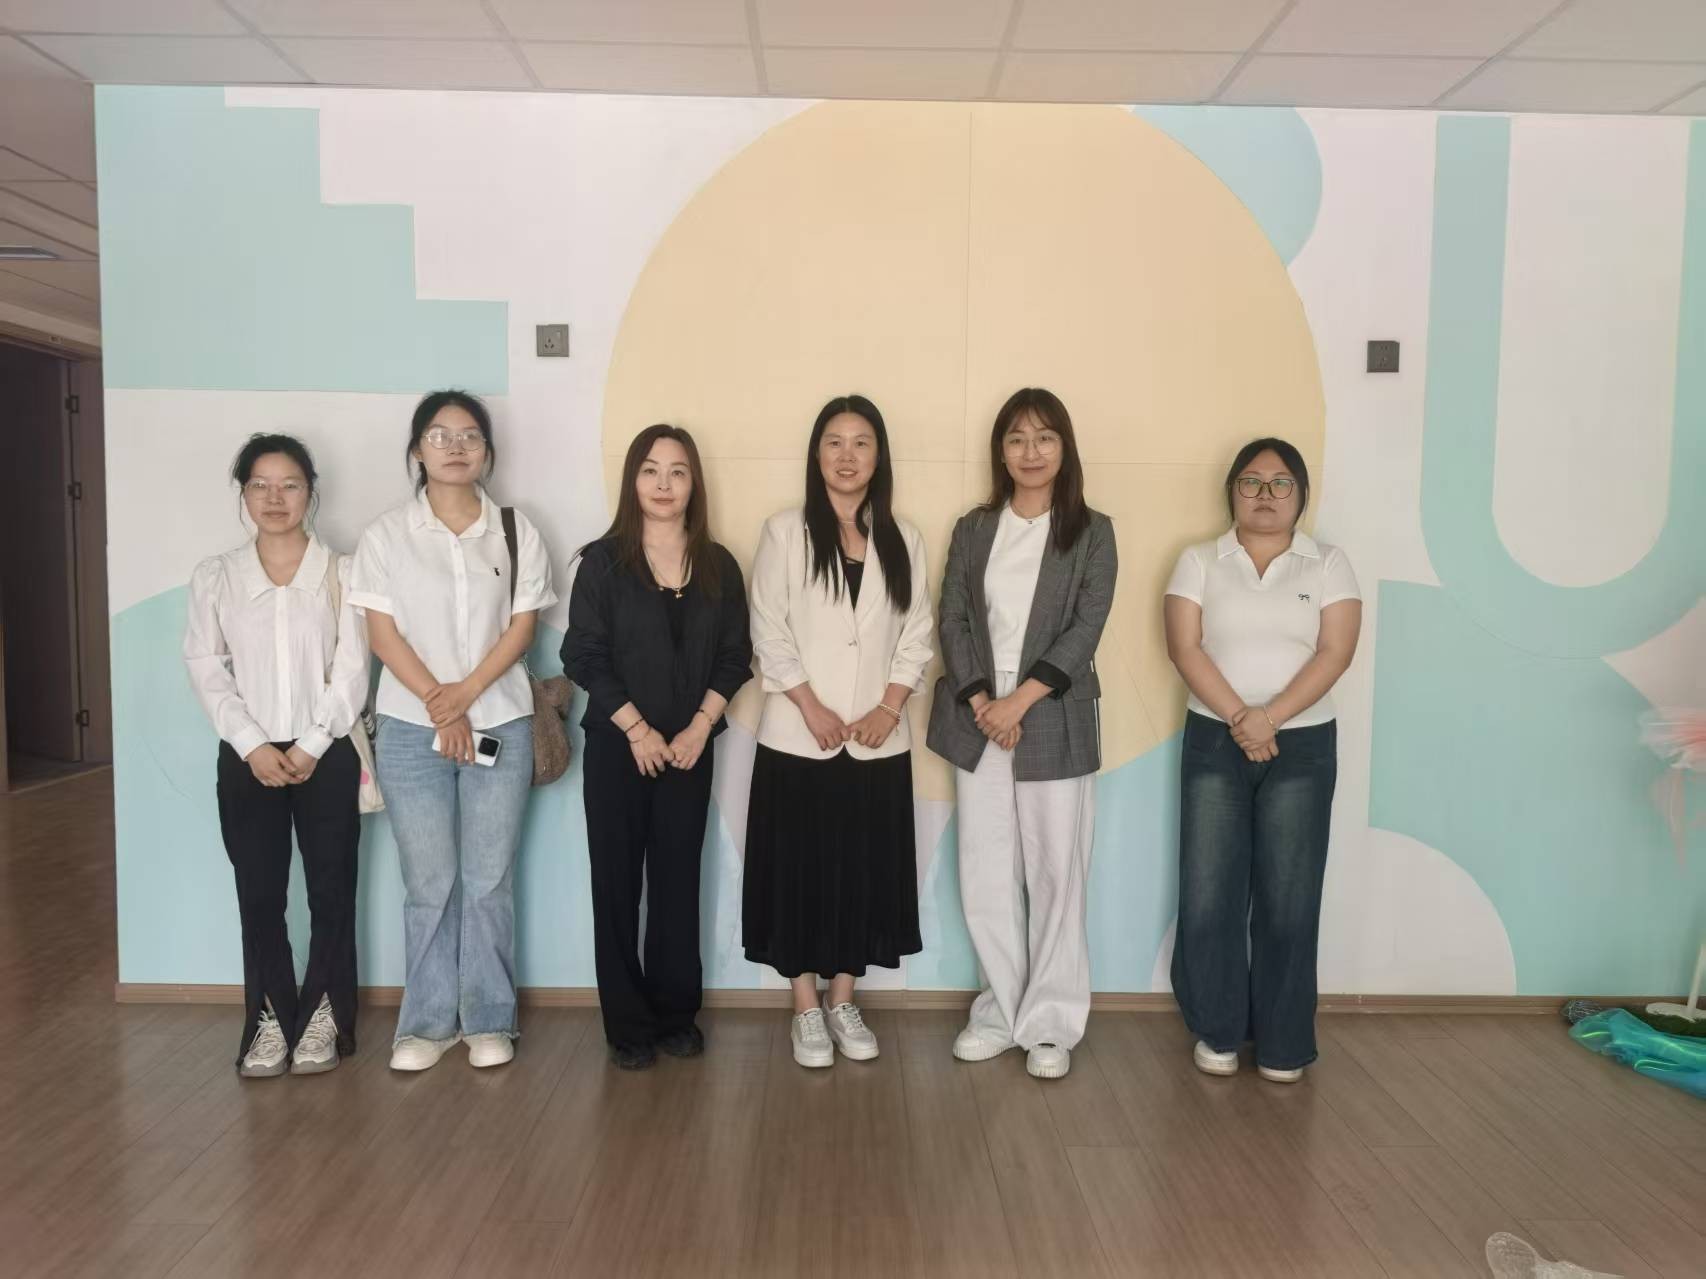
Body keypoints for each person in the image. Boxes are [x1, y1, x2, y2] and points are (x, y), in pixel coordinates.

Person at [349, 389, 556, 1072]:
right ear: (417, 449)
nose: (455, 447)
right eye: (439, 435)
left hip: (501, 720)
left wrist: (465, 696)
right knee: (429, 881)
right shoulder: (386, 535)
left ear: (487, 451)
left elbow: (521, 629)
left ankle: (490, 1018)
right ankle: (426, 1023)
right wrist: (444, 707)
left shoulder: (516, 530)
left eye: (469, 436)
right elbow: (383, 636)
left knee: (489, 879)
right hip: (411, 730)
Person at [928, 388, 1117, 1080]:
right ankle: (999, 1012)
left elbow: (1086, 626)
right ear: (1000, 451)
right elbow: (952, 615)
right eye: (1016, 438)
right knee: (985, 865)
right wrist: (985, 699)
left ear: (1064, 447)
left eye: (1044, 437)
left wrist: (1018, 703)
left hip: (1051, 708)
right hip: (978, 707)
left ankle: (1051, 1023)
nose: (1030, 451)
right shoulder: (975, 527)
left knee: (1056, 869)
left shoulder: (1093, 531)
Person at [1162, 437, 1361, 1083]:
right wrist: (1241, 719)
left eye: (1281, 483)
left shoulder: (1328, 563)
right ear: (1232, 492)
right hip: (1213, 738)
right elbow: (1185, 648)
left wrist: (1268, 718)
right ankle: (1217, 1030)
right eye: (1251, 482)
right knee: (1210, 893)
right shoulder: (1199, 560)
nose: (1266, 494)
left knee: (1290, 898)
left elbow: (1335, 652)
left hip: (1302, 745)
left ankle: (1283, 1042)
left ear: (1301, 495)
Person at [744, 395, 933, 1067]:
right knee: (796, 870)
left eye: (861, 442)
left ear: (879, 456)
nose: (847, 455)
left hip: (878, 740)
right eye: (834, 441)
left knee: (863, 871)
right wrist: (810, 706)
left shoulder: (903, 538)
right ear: (816, 453)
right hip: (799, 738)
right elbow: (767, 627)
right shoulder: (784, 531)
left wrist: (889, 707)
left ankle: (843, 998)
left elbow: (918, 633)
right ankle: (805, 1006)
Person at [563, 424, 752, 1070]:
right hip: (618, 749)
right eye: (650, 470)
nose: (664, 484)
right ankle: (627, 1025)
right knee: (616, 885)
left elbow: (735, 657)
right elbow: (583, 654)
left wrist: (699, 727)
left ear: (694, 482)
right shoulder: (602, 562)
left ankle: (676, 1014)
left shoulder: (719, 565)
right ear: (632, 481)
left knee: (676, 882)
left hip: (690, 750)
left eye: (677, 471)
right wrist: (638, 730)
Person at [184, 433, 368, 1077]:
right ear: (243, 494)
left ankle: (324, 1016)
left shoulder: (342, 572)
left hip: (327, 753)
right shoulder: (217, 576)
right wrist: (252, 744)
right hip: (248, 758)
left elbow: (353, 668)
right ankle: (268, 1018)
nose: (274, 497)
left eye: (289, 484)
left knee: (331, 890)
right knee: (259, 893)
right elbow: (205, 666)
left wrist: (313, 743)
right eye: (260, 485)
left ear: (310, 492)